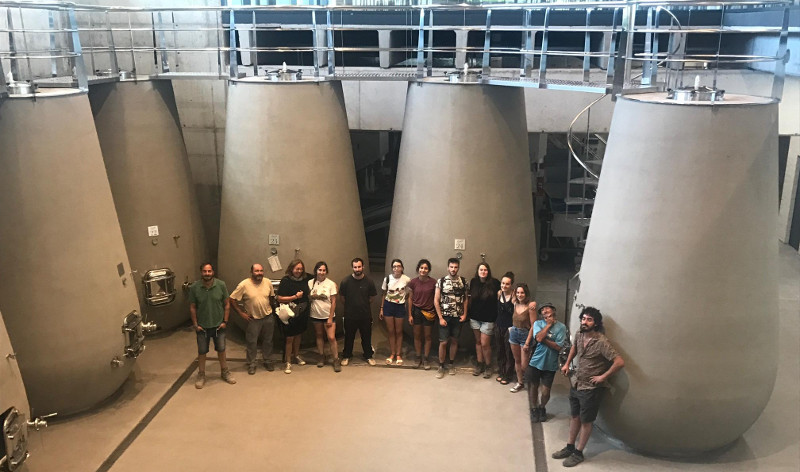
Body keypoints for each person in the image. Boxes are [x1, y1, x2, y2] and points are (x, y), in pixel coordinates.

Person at [552, 307, 625, 467]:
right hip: (576, 383)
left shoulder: (601, 342)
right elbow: (574, 348)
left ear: (596, 323)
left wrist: (603, 377)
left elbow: (619, 361)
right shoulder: (579, 333)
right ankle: (570, 447)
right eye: (583, 318)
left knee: (586, 421)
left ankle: (578, 453)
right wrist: (567, 364)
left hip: (591, 390)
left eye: (589, 319)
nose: (584, 322)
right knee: (575, 417)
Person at [188, 262, 236, 389]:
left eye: (209, 271)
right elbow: (192, 307)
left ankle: (225, 372)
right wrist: (195, 324)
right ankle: (201, 374)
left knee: (221, 349)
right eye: (205, 271)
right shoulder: (195, 287)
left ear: (213, 272)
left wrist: (225, 321)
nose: (207, 274)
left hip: (218, 326)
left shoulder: (221, 285)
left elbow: (227, 304)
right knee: (202, 351)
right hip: (202, 327)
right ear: (201, 272)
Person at [229, 263, 277, 375]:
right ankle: (251, 363)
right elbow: (232, 299)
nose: (259, 273)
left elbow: (271, 297)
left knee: (268, 341)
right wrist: (241, 313)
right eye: (256, 271)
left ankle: (268, 360)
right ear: (251, 272)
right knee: (252, 342)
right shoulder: (244, 285)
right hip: (253, 319)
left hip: (268, 317)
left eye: (261, 270)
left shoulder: (267, 282)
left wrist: (273, 311)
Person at [524, 303, 567, 423]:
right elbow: (538, 338)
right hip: (536, 361)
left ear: (553, 310)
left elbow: (559, 347)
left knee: (546, 391)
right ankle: (534, 408)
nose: (544, 311)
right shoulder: (538, 324)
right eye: (542, 310)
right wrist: (548, 326)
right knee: (533, 386)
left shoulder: (561, 327)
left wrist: (544, 339)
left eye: (547, 308)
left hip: (550, 364)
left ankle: (542, 407)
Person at [434, 258, 469, 379]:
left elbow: (465, 299)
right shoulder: (441, 281)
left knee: (454, 341)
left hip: (457, 317)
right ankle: (441, 365)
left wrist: (464, 314)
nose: (453, 269)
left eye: (455, 267)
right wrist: (440, 317)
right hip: (444, 317)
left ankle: (451, 364)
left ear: (458, 267)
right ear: (448, 267)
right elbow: (436, 300)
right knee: (443, 342)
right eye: (451, 267)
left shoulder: (463, 281)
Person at [339, 257, 377, 366]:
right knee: (349, 337)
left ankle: (368, 355)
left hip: (365, 315)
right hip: (350, 316)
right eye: (355, 267)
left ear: (363, 267)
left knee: (366, 337)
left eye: (359, 266)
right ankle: (346, 356)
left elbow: (371, 298)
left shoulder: (369, 282)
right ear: (352, 268)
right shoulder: (345, 281)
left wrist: (362, 305)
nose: (357, 269)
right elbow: (342, 298)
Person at [276, 259, 312, 374]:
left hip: (302, 312)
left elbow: (320, 278)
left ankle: (296, 355)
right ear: (291, 269)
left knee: (298, 335)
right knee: (289, 338)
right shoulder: (285, 281)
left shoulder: (307, 278)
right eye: (297, 269)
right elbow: (279, 298)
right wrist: (295, 297)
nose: (299, 271)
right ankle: (288, 361)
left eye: (301, 269)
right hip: (289, 313)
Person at [468, 262, 500, 379]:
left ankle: (488, 366)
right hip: (475, 318)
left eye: (485, 270)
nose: (483, 272)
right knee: (478, 342)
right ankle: (479, 364)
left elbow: (501, 296)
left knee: (485, 344)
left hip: (488, 319)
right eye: (481, 270)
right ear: (477, 271)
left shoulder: (495, 283)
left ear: (488, 271)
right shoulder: (473, 282)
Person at [308, 261, 341, 372]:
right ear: (316, 271)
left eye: (323, 270)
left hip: (328, 315)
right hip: (315, 315)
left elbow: (334, 302)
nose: (321, 272)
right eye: (319, 270)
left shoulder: (331, 284)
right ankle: (321, 356)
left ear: (326, 271)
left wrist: (330, 317)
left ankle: (336, 359)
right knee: (319, 335)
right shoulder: (310, 283)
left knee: (331, 337)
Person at [407, 259, 436, 370]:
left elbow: (436, 298)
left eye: (426, 268)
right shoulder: (413, 282)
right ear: (418, 269)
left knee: (428, 336)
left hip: (429, 312)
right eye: (421, 268)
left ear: (428, 270)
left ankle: (426, 358)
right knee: (417, 336)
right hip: (416, 312)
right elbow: (410, 298)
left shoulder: (433, 282)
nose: (423, 270)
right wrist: (410, 314)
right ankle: (418, 357)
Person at [380, 258, 410, 365]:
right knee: (391, 331)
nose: (396, 268)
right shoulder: (387, 279)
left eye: (398, 266)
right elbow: (384, 293)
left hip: (400, 306)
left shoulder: (406, 279)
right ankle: (392, 353)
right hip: (388, 305)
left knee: (399, 331)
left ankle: (398, 354)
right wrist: (382, 308)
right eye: (394, 266)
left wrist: (406, 303)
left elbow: (409, 293)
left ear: (402, 267)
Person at [508, 283, 537, 393]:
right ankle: (520, 382)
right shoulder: (514, 303)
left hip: (525, 335)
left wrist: (527, 342)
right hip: (514, 333)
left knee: (524, 365)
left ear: (526, 293)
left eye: (522, 292)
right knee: (517, 360)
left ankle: (529, 380)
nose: (520, 295)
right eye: (518, 292)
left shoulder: (531, 307)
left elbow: (534, 325)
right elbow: (504, 292)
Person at [494, 272, 515, 385]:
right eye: (503, 283)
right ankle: (501, 372)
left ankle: (508, 374)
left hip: (509, 327)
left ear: (511, 285)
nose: (504, 286)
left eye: (507, 284)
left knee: (509, 352)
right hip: (498, 325)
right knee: (499, 350)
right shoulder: (499, 293)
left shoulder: (514, 296)